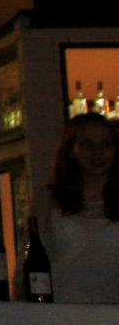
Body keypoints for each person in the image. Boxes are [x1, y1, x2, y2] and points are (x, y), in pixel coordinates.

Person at [44, 112, 119, 303]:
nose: (97, 153)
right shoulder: (50, 201)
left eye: (106, 144)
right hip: (64, 311)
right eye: (87, 144)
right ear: (71, 150)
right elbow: (29, 257)